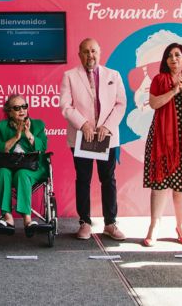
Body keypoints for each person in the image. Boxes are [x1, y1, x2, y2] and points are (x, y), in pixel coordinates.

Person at [59, 38, 127, 241]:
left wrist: (106, 127)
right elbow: (66, 105)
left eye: (94, 51)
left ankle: (110, 223)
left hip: (107, 136)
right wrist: (84, 125)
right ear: (79, 54)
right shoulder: (69, 76)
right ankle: (85, 223)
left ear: (100, 52)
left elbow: (120, 104)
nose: (91, 55)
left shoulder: (113, 75)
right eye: (86, 51)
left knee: (109, 179)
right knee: (84, 179)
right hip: (82, 136)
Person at [142, 42, 182, 247]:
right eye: (169, 56)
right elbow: (153, 104)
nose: (173, 59)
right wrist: (173, 91)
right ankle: (154, 227)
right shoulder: (159, 80)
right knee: (159, 184)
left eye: (177, 55)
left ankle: (181, 226)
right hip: (162, 138)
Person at [0, 94, 48, 237]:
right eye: (16, 108)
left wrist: (28, 133)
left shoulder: (38, 124)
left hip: (32, 167)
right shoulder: (2, 126)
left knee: (22, 174)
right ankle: (8, 217)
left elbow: (43, 146)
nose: (22, 110)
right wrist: (16, 136)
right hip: (8, 165)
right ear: (9, 112)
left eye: (24, 106)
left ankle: (27, 219)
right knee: (2, 172)